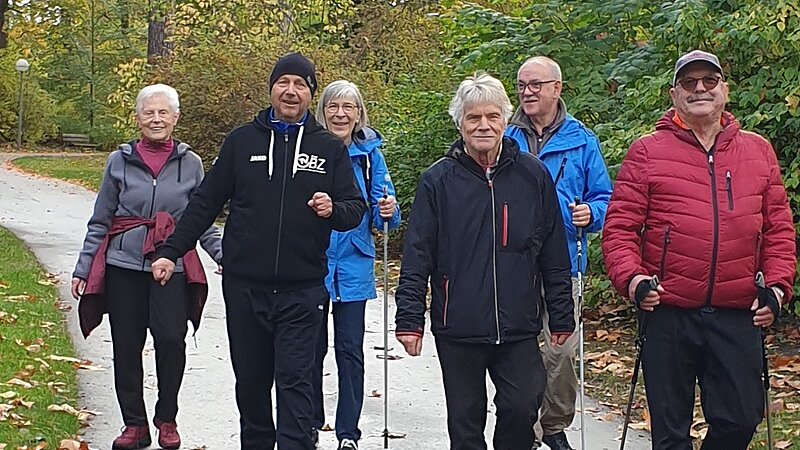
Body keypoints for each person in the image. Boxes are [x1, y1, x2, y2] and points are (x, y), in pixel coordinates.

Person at [150, 52, 367, 450]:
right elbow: (205, 203)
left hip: (303, 291)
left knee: (296, 384)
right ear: (271, 89)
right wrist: (170, 251)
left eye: (300, 84)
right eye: (283, 82)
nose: (290, 91)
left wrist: (333, 209)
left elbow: (355, 208)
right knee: (251, 386)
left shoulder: (328, 148)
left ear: (310, 94)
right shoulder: (241, 142)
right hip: (245, 289)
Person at [601, 50, 796, 450]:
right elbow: (619, 229)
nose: (700, 89)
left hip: (738, 310)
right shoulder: (647, 151)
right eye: (689, 83)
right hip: (667, 310)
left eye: (709, 80)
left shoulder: (758, 151)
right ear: (674, 95)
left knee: (742, 417)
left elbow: (778, 230)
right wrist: (633, 280)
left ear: (725, 89)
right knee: (670, 433)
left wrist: (777, 288)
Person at [394, 72, 575, 450]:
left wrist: (561, 314)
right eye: (473, 117)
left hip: (519, 323)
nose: (483, 125)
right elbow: (417, 254)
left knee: (523, 406)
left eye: (492, 116)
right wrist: (409, 319)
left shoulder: (532, 175)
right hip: (458, 325)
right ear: (460, 123)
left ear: (505, 121)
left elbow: (554, 251)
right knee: (465, 422)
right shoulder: (437, 181)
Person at [71, 83, 222, 450]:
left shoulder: (191, 163)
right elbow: (101, 219)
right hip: (123, 265)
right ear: (138, 118)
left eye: (162, 112)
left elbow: (201, 218)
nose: (156, 119)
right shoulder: (119, 161)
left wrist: (224, 255)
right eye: (148, 112)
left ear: (175, 118)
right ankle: (134, 425)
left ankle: (166, 418)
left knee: (171, 340)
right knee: (126, 346)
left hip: (172, 265)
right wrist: (83, 267)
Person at [505, 56, 612, 450]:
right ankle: (528, 431)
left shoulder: (582, 140)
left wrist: (592, 213)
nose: (527, 92)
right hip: (512, 263)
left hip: (565, 261)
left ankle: (553, 424)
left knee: (561, 351)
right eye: (522, 85)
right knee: (520, 352)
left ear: (557, 88)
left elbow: (605, 197)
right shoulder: (504, 137)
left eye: (535, 84)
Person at [310, 80, 401, 450]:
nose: (340, 114)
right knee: (310, 348)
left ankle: (348, 433)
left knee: (350, 351)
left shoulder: (370, 156)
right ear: (322, 112)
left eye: (348, 107)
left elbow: (385, 214)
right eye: (333, 106)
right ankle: (310, 422)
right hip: (311, 261)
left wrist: (389, 210)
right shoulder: (309, 149)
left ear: (359, 114)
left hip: (354, 263)